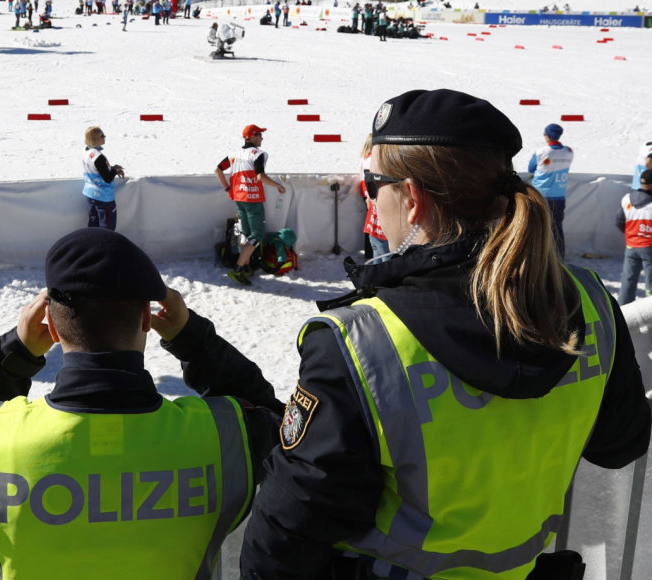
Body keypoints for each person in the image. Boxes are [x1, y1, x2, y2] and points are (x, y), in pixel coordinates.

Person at [239, 89, 651, 579]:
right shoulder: (590, 303)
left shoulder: (361, 343)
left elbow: (286, 539)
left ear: (411, 198)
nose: (372, 196)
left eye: (374, 184)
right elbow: (620, 444)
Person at [0, 227, 283, 578]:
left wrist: (15, 355)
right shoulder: (222, 434)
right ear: (147, 318)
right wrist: (193, 339)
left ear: (53, 328)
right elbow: (282, 423)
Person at [215, 124, 286, 285]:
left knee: (247, 234)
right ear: (252, 137)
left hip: (238, 198)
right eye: (260, 135)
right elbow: (260, 177)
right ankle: (239, 269)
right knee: (256, 236)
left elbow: (218, 170)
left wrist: (227, 188)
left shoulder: (233, 153)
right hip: (253, 199)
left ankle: (245, 267)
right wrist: (278, 186)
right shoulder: (258, 154)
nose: (262, 138)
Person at [528, 122, 574, 258]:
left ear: (547, 136)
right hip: (559, 196)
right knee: (557, 229)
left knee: (538, 228)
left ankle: (538, 257)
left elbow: (531, 168)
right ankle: (559, 258)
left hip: (541, 195)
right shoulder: (568, 152)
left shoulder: (542, 152)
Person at [616, 169, 652, 305]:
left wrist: (631, 234)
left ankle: (623, 314)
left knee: (627, 282)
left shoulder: (626, 199)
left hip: (631, 245)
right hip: (649, 246)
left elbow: (619, 221)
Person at [82, 126, 124, 231]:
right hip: (103, 197)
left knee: (93, 226)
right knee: (107, 229)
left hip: (90, 194)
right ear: (96, 138)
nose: (104, 137)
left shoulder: (86, 151)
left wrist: (113, 168)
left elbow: (98, 170)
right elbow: (107, 178)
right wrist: (115, 170)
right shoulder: (99, 157)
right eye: (102, 136)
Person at [358, 134, 389, 262]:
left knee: (371, 224)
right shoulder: (372, 159)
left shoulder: (364, 157)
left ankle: (369, 254)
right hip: (371, 193)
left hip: (366, 191)